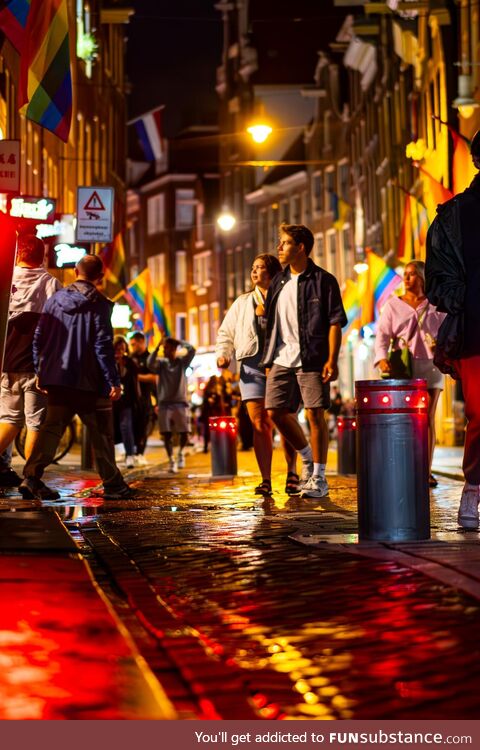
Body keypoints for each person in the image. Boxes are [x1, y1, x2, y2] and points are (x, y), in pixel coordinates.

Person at [19, 255, 133, 501]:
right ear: (100, 277)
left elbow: (39, 337)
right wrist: (113, 380)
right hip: (90, 381)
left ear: (74, 271)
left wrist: (41, 370)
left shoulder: (55, 300)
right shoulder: (100, 304)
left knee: (51, 430)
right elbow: (103, 344)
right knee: (101, 434)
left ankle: (31, 477)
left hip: (58, 377)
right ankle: (113, 484)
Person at [261, 223, 347, 499]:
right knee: (274, 411)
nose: (279, 248)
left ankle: (319, 478)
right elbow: (271, 322)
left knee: (314, 414)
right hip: (280, 358)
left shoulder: (324, 280)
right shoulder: (278, 281)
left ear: (301, 247)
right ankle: (307, 458)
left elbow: (335, 322)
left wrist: (331, 359)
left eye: (285, 243)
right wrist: (268, 356)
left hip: (312, 356)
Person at [425, 129, 480, 528]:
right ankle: (474, 490)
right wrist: (471, 297)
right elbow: (437, 282)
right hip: (478, 327)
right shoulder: (454, 216)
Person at [216, 253, 298, 496]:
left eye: (260, 267)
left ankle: (292, 471)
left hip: (281, 365)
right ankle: (266, 479)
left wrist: (269, 313)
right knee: (259, 424)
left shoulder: (286, 297)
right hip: (251, 367)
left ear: (272, 273)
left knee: (284, 420)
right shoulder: (242, 303)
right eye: (253, 267)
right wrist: (224, 353)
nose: (254, 272)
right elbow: (226, 332)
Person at [374, 260, 446, 488]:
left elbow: (448, 329)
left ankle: (426, 470)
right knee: (407, 419)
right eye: (405, 274)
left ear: (423, 278)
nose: (407, 278)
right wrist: (382, 359)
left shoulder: (436, 303)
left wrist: (444, 347)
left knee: (427, 418)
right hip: (403, 366)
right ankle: (405, 466)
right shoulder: (393, 305)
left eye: (413, 274)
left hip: (433, 365)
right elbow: (383, 335)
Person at [0, 235, 62, 470]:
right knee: (35, 423)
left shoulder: (6, 278)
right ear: (42, 256)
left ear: (18, 254)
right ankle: (31, 477)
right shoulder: (50, 283)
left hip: (6, 363)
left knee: (9, 420)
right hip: (36, 367)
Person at [147, 336, 196, 472]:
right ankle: (171, 460)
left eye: (167, 348)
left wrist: (180, 342)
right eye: (164, 348)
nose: (165, 350)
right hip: (164, 404)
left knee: (184, 432)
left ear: (174, 349)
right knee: (166, 434)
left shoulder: (182, 362)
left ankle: (180, 453)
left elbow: (192, 350)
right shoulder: (161, 364)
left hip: (180, 403)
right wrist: (156, 347)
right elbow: (149, 364)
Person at [129, 331, 157, 464]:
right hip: (132, 397)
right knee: (132, 425)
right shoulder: (131, 357)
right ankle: (132, 452)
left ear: (141, 342)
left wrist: (136, 377)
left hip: (145, 398)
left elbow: (153, 377)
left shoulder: (149, 358)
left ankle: (140, 452)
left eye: (134, 344)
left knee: (143, 426)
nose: (132, 347)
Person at [113, 336, 140, 468]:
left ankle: (130, 455)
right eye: (117, 349)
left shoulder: (129, 363)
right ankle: (111, 456)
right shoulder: (109, 361)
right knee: (109, 428)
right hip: (111, 401)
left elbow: (134, 382)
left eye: (122, 349)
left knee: (126, 427)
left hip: (126, 401)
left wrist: (136, 399)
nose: (120, 351)